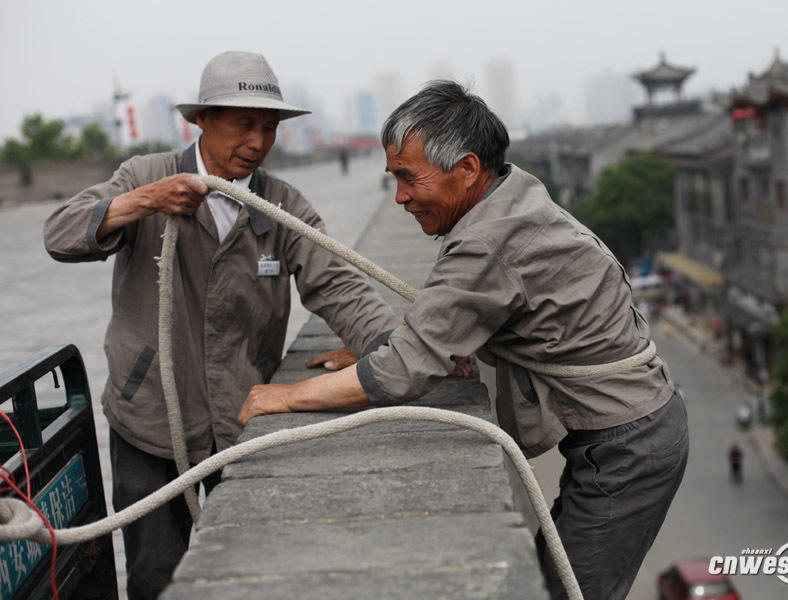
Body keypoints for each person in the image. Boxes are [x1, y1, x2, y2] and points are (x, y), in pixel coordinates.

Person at [238, 81, 689, 600]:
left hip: (628, 445)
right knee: (551, 578)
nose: (401, 197)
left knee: (570, 591)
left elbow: (399, 373)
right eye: (394, 179)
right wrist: (383, 347)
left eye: (409, 178)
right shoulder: (512, 194)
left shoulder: (486, 240)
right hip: (631, 430)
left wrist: (286, 396)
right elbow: (457, 318)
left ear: (469, 169)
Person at [43, 51, 398, 599]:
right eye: (244, 123)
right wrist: (146, 202)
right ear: (202, 119)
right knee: (153, 575)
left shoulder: (283, 206)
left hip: (241, 420)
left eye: (270, 127)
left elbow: (339, 285)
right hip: (149, 421)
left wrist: (393, 347)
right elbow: (60, 234)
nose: (258, 141)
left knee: (251, 567)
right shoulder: (145, 175)